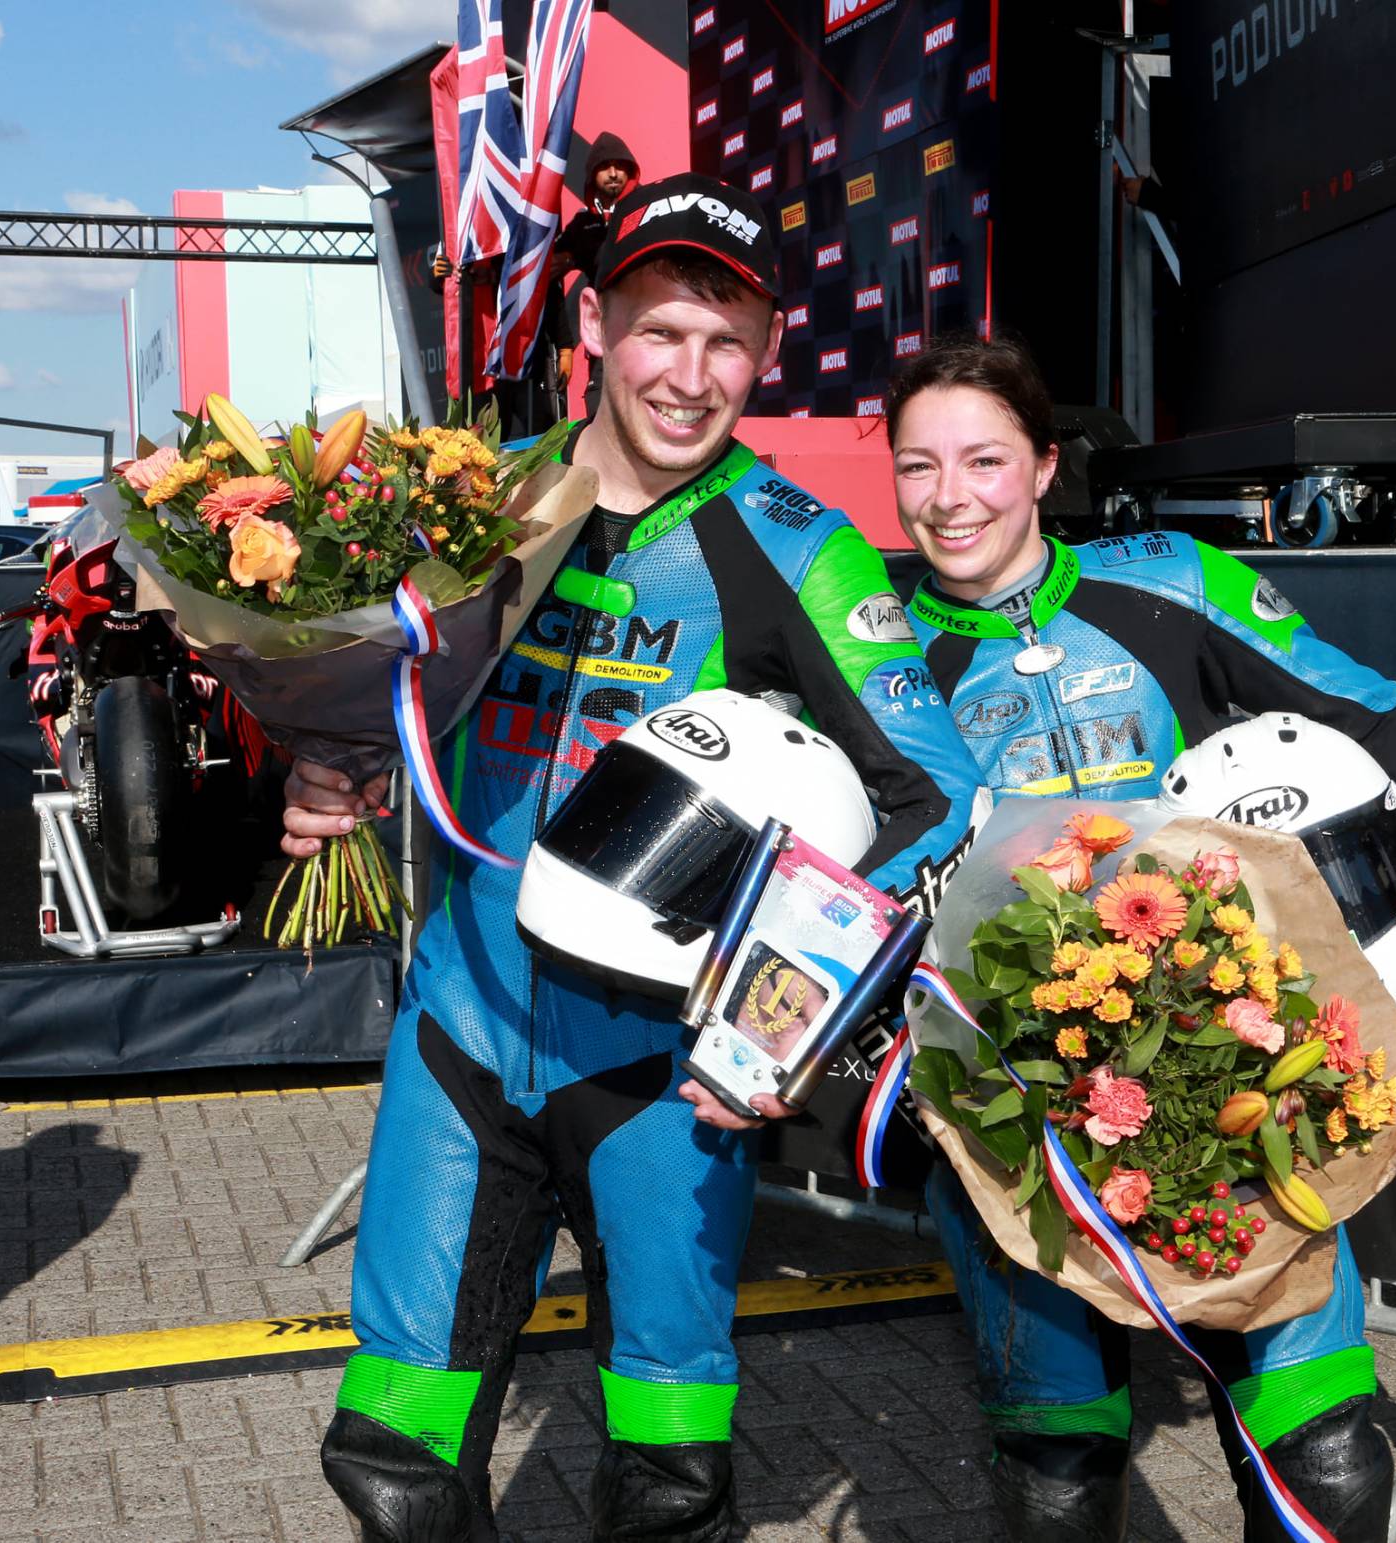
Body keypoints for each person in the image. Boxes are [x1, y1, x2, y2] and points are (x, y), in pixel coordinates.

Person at [283, 173, 984, 1542]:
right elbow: (387, 702)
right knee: (393, 1456)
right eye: (660, 329)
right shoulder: (478, 502)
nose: (689, 374)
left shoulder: (798, 548)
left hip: (663, 1069)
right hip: (462, 1026)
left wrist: (776, 1020)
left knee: (668, 1477)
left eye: (726, 342)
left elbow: (934, 796)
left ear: (766, 352)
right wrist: (330, 767)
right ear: (595, 325)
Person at [881, 331, 1396, 1543]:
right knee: (1059, 1471)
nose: (949, 496)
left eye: (982, 459)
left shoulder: (1169, 576)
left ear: (1044, 465)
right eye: (917, 465)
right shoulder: (866, 644)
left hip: (1230, 1075)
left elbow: (1374, 713)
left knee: (1325, 1450)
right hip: (1020, 1107)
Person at [554, 133, 641, 418]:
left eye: (620, 166)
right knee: (598, 408)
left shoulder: (647, 208)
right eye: (605, 167)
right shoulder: (583, 223)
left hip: (643, 330)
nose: (614, 173)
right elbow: (546, 266)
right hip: (604, 334)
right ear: (593, 175)